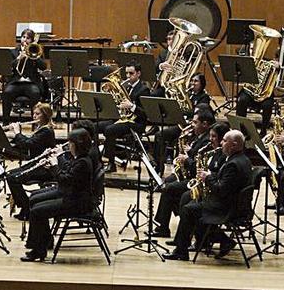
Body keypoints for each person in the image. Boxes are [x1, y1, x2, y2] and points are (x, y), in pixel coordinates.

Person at [166, 130, 253, 260]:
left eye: (224, 141)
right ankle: (218, 240)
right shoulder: (242, 159)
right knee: (190, 201)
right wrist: (211, 175)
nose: (221, 143)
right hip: (232, 203)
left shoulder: (233, 164)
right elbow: (225, 182)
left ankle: (181, 251)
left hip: (227, 208)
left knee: (188, 209)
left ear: (234, 145)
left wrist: (208, 178)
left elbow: (221, 189)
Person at [21, 128, 97, 262]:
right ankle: (42, 243)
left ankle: (38, 250)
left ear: (76, 145)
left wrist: (55, 166)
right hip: (72, 197)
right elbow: (67, 171)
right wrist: (54, 164)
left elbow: (65, 180)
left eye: (70, 143)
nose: (69, 146)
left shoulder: (83, 163)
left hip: (77, 203)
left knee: (37, 211)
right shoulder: (81, 159)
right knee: (36, 206)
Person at [153, 110, 216, 238]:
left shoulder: (207, 141)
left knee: (170, 189)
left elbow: (200, 165)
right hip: (190, 175)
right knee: (168, 183)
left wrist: (187, 158)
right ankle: (165, 224)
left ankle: (165, 226)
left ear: (205, 124)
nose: (192, 124)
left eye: (195, 122)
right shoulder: (197, 136)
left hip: (196, 178)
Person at [99, 64, 153, 173]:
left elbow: (146, 114)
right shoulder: (126, 87)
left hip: (136, 123)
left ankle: (111, 163)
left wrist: (132, 106)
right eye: (127, 73)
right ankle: (97, 161)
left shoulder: (144, 90)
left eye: (131, 73)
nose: (128, 76)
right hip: (124, 119)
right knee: (95, 126)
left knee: (110, 130)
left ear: (138, 74)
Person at [2, 30, 45, 122]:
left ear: (32, 40)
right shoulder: (13, 52)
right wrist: (18, 58)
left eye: (28, 38)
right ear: (20, 38)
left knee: (35, 93)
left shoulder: (35, 50)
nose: (25, 39)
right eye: (23, 37)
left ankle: (34, 123)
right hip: (16, 82)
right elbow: (8, 67)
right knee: (6, 93)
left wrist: (34, 57)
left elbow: (43, 66)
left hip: (31, 83)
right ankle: (5, 122)